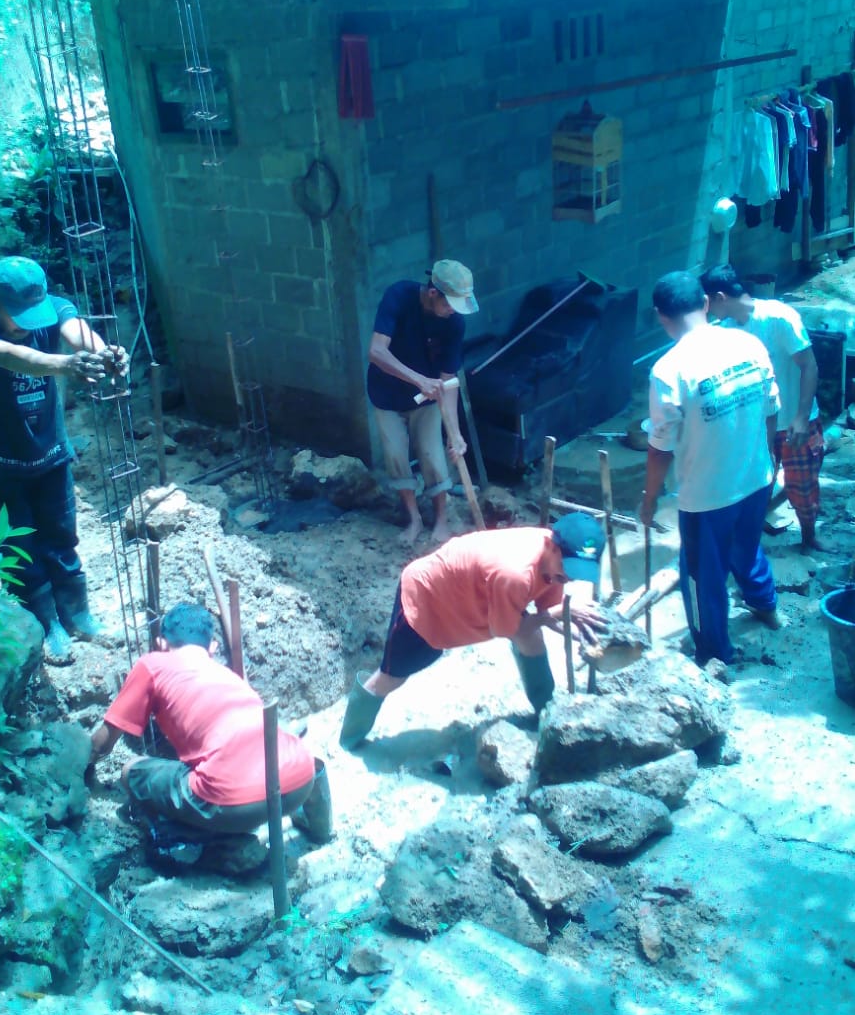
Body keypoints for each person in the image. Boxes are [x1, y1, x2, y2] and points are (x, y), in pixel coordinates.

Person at [0, 255, 129, 659]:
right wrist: (65, 365)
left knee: (62, 537)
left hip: (49, 454)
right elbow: (16, 358)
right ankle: (45, 624)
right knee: (17, 549)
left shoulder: (48, 309)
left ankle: (78, 614)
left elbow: (75, 329)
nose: (28, 324)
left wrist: (102, 353)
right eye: (17, 316)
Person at [339, 512, 608, 748]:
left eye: (576, 572)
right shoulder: (515, 573)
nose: (569, 577)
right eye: (567, 569)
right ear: (551, 545)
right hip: (428, 598)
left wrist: (579, 633)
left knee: (532, 639)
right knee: (392, 677)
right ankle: (349, 739)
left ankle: (547, 713)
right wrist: (557, 614)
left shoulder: (554, 562)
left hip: (471, 595)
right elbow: (507, 629)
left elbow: (546, 613)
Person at [89, 601, 332, 843]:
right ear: (212, 647)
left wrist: (84, 765)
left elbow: (103, 743)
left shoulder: (152, 664)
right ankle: (319, 828)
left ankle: (194, 839)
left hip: (236, 805)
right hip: (301, 780)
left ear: (161, 644)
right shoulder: (228, 676)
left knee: (132, 771)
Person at [640, 271, 781, 666]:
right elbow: (771, 408)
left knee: (702, 577)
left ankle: (713, 653)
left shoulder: (668, 370)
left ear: (659, 316)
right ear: (705, 303)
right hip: (756, 477)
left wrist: (649, 499)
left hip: (707, 496)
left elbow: (659, 450)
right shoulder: (747, 342)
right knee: (746, 546)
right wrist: (767, 459)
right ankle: (766, 605)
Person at [700, 264, 824, 552]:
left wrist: (802, 417)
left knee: (803, 487)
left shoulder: (779, 317)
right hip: (757, 426)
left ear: (719, 297)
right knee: (754, 487)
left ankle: (808, 537)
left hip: (794, 422)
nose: (707, 310)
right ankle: (748, 544)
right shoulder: (726, 331)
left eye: (708, 302)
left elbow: (810, 366)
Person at [367, 259, 478, 545]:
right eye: (449, 303)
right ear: (432, 293)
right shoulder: (399, 297)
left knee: (432, 455)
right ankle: (414, 518)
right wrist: (418, 380)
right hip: (387, 394)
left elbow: (448, 381)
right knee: (396, 456)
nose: (453, 310)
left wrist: (455, 434)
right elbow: (377, 352)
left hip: (428, 398)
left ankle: (441, 520)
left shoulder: (454, 323)